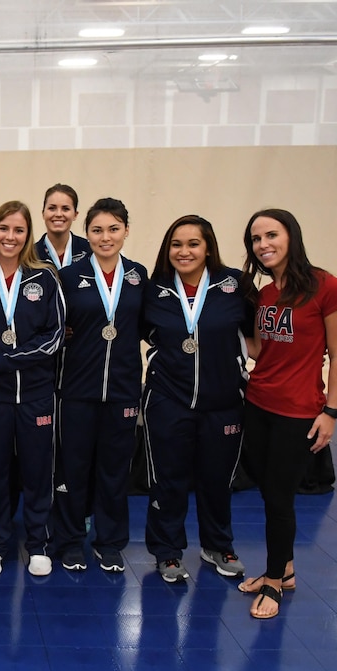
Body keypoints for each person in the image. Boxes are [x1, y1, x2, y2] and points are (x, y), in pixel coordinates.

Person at [236, 209, 337, 619]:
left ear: (292, 237)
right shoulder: (266, 294)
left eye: (272, 235)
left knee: (280, 498)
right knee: (268, 492)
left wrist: (331, 412)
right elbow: (261, 352)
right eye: (255, 238)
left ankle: (272, 583)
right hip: (258, 403)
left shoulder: (327, 287)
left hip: (298, 411)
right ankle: (283, 569)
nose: (263, 244)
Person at [141, 215, 258, 585]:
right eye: (177, 244)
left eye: (193, 243)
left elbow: (258, 336)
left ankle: (217, 545)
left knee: (217, 479)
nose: (184, 251)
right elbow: (137, 333)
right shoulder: (155, 288)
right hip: (167, 399)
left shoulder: (234, 284)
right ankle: (167, 551)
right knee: (168, 480)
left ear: (208, 247)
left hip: (223, 401)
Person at [0, 201, 66, 577]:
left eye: (18, 230)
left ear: (28, 235)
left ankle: (38, 543)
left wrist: (4, 361)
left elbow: (53, 339)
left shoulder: (45, 278)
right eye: (4, 229)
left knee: (38, 472)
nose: (10, 237)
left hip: (36, 394)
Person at [52, 197, 147, 574]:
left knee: (113, 471)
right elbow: (54, 326)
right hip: (76, 389)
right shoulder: (69, 277)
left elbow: (149, 326)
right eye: (96, 230)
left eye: (113, 229)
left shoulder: (139, 276)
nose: (105, 237)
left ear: (125, 231)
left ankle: (109, 542)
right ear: (85, 233)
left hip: (123, 390)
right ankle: (70, 540)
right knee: (72, 469)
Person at [35, 183, 89, 270]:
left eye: (65, 209)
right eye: (52, 208)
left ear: (75, 214)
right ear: (43, 213)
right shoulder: (30, 255)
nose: (58, 214)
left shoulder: (89, 251)